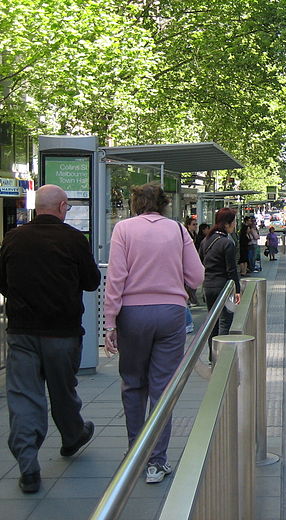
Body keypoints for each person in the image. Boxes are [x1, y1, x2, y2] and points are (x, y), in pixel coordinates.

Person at [0, 185, 101, 494]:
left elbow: (2, 282)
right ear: (62, 207)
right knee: (63, 390)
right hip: (62, 332)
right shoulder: (73, 239)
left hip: (22, 332)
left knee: (23, 397)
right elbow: (92, 281)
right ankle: (72, 435)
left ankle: (28, 466)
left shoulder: (13, 239)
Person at [103, 182, 204, 485]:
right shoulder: (177, 230)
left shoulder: (123, 229)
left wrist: (110, 322)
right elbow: (197, 276)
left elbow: (116, 277)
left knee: (133, 384)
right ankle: (156, 463)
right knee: (162, 387)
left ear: (135, 203)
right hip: (170, 313)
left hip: (132, 315)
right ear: (163, 204)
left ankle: (135, 453)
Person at [199, 208, 242, 362]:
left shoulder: (206, 241)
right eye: (234, 222)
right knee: (225, 320)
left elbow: (200, 262)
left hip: (208, 287)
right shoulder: (227, 243)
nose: (235, 225)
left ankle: (212, 356)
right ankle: (222, 356)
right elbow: (232, 270)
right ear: (227, 224)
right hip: (224, 288)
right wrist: (237, 290)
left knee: (212, 321)